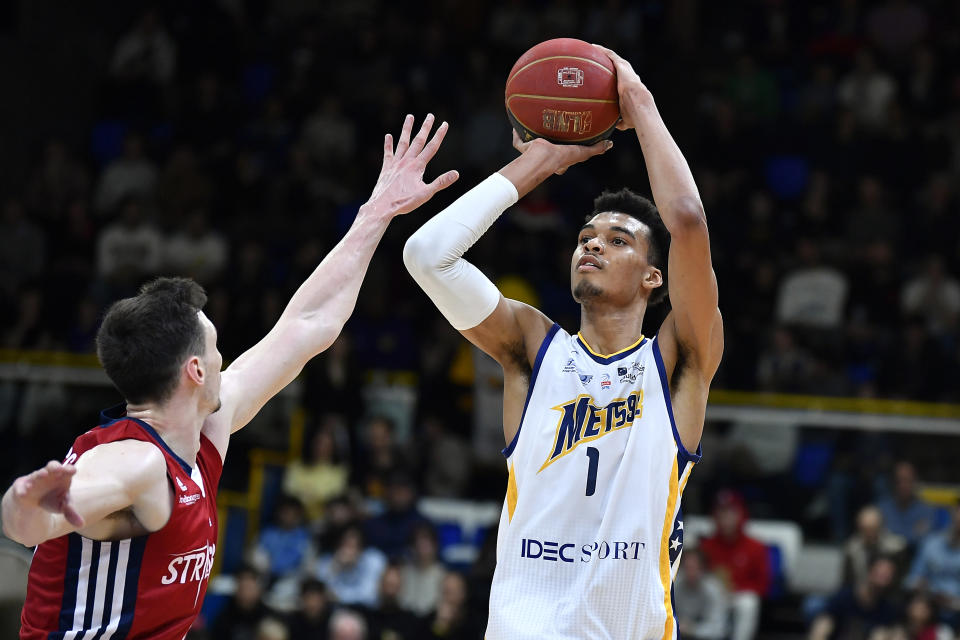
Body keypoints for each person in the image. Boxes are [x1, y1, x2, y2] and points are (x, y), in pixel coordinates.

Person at [1, 114, 458, 639]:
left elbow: (310, 324)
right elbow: (37, 523)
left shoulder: (201, 435)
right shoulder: (136, 460)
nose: (226, 361)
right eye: (218, 349)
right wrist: (25, 503)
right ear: (195, 370)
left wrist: (378, 212)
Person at [404, 46, 723, 638]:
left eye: (619, 240)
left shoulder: (678, 361)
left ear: (655, 277)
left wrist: (641, 105)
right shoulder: (533, 346)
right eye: (585, 235)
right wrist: (538, 165)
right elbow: (427, 257)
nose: (593, 244)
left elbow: (687, 221)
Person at [701, 491, 770, 640]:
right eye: (721, 513)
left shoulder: (755, 546)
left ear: (741, 515)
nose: (726, 518)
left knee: (748, 603)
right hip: (713, 595)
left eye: (730, 512)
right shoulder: (706, 546)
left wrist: (735, 588)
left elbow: (763, 583)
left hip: (739, 595)